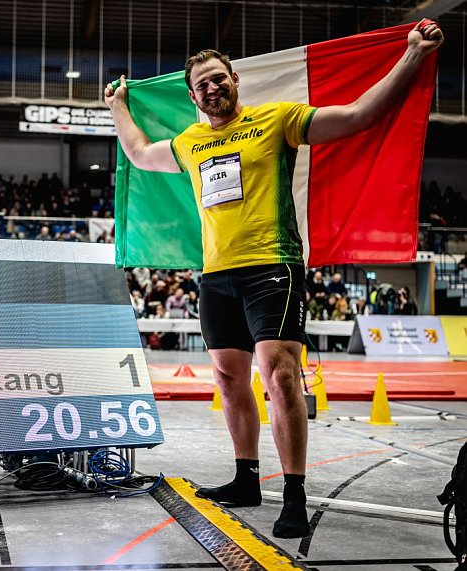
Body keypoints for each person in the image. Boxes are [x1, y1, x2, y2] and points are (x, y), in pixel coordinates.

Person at [104, 21, 443, 538]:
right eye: (201, 84)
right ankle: (246, 479)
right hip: (216, 275)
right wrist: (118, 106)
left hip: (273, 267)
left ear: (235, 80)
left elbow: (359, 115)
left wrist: (413, 54)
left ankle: (294, 494)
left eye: (218, 78)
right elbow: (138, 153)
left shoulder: (277, 119)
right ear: (193, 96)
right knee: (227, 377)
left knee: (280, 375)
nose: (211, 88)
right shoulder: (191, 142)